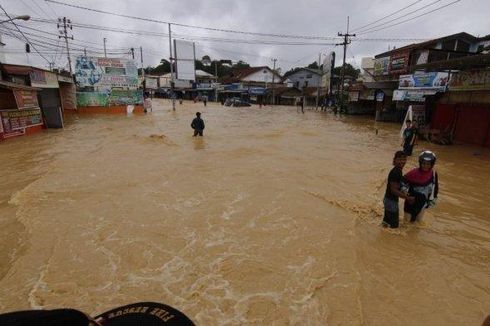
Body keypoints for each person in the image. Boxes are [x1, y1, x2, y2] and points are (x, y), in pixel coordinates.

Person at [403, 150, 439, 223]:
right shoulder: (413, 172)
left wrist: (433, 199)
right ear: (420, 163)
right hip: (410, 201)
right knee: (406, 222)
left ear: (432, 164)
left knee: (418, 223)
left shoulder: (433, 174)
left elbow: (435, 187)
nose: (425, 166)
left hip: (423, 203)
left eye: (428, 164)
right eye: (424, 163)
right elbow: (402, 182)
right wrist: (404, 192)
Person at [382, 151, 415, 228]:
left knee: (386, 222)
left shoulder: (398, 170)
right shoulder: (396, 172)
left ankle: (382, 236)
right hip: (391, 202)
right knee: (394, 227)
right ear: (394, 160)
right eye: (399, 159)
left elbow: (396, 186)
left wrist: (404, 190)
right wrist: (407, 198)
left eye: (404, 159)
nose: (402, 161)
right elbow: (393, 190)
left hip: (387, 200)